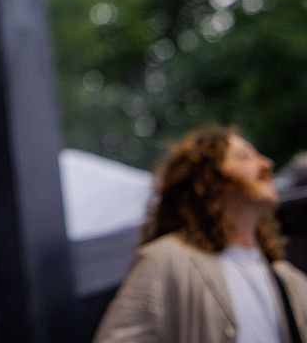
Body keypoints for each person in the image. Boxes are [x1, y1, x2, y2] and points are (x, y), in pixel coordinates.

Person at [94, 125, 307, 343]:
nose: (266, 164)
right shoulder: (166, 260)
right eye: (243, 157)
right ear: (208, 180)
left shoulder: (289, 279)